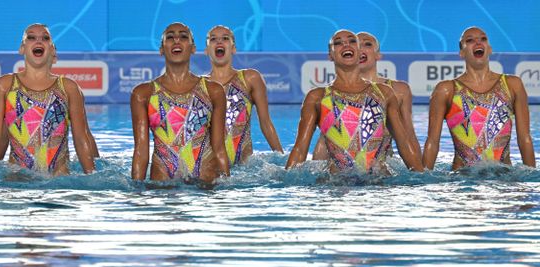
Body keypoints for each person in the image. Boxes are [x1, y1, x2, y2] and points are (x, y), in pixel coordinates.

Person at [285, 30, 423, 173]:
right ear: (331, 56)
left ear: (359, 52)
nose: (346, 45)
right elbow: (300, 149)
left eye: (352, 41)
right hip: (337, 188)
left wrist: (421, 180)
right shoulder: (317, 97)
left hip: (379, 186)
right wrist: (286, 186)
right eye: (338, 43)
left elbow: (403, 143)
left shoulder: (384, 92)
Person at [0, 23, 95, 175]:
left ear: (53, 51)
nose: (38, 41)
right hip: (18, 179)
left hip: (59, 180)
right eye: (31, 37)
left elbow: (81, 138)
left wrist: (92, 176)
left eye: (45, 38)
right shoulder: (6, 85)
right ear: (22, 48)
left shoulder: (68, 88)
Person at [423, 26, 535, 170]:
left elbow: (525, 138)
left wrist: (531, 178)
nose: (478, 43)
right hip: (463, 180)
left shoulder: (513, 85)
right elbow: (432, 141)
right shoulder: (446, 90)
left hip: (504, 179)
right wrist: (422, 178)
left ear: (490, 49)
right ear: (462, 53)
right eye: (470, 40)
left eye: (483, 39)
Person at [130, 22, 229, 183]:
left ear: (193, 48)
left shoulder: (213, 91)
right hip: (162, 187)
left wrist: (228, 190)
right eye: (170, 37)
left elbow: (219, 148)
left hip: (206, 189)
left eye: (183, 37)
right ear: (162, 49)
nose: (176, 40)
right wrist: (136, 191)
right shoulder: (143, 93)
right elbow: (141, 151)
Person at [204, 25, 283, 165]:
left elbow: (265, 122)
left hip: (244, 167)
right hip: (211, 167)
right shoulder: (200, 85)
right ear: (206, 50)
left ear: (233, 48)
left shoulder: (250, 78)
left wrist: (282, 162)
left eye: (225, 38)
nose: (219, 42)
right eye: (213, 39)